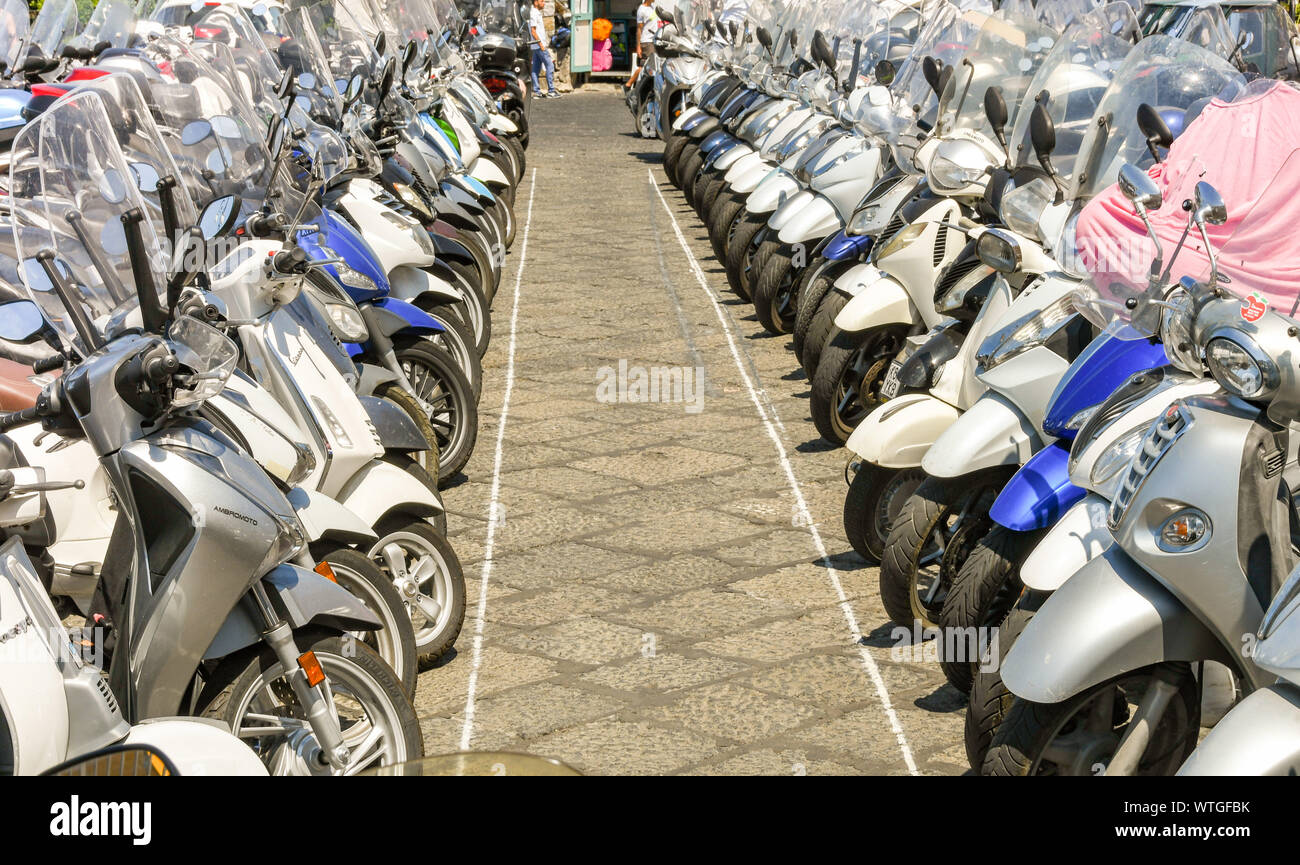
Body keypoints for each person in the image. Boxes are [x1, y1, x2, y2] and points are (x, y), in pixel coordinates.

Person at [624, 0, 658, 90]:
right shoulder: (642, 10)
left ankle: (633, 86)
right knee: (645, 67)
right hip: (646, 42)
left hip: (653, 40)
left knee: (648, 67)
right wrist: (638, 46)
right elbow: (639, 29)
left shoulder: (652, 7)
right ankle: (628, 85)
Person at [529, 0, 559, 98]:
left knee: (535, 69)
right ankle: (551, 90)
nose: (544, 3)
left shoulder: (536, 12)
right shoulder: (533, 13)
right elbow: (533, 31)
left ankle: (536, 91)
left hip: (536, 46)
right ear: (536, 2)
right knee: (550, 65)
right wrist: (541, 44)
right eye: (542, 1)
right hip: (539, 46)